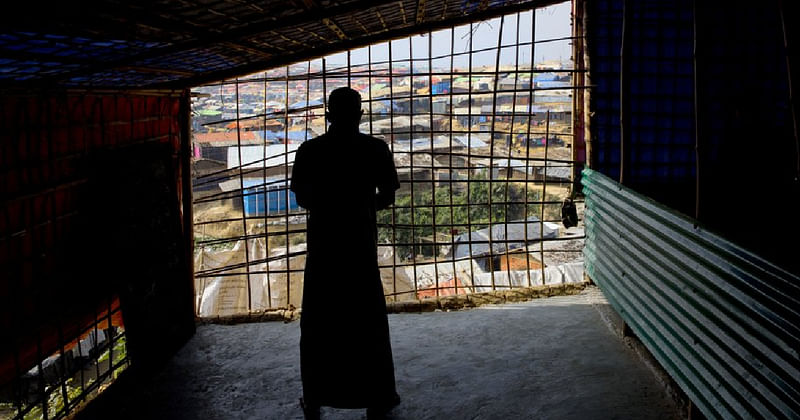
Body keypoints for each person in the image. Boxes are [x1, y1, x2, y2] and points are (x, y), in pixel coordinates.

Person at [290, 87, 401, 420]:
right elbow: (389, 194)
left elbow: (302, 198)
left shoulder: (310, 151)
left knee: (320, 322)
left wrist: (330, 209)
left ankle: (316, 396)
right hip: (360, 247)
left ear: (327, 114)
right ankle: (376, 396)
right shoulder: (375, 149)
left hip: (325, 248)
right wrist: (362, 208)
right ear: (360, 114)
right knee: (366, 322)